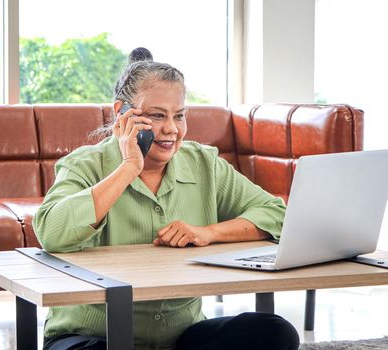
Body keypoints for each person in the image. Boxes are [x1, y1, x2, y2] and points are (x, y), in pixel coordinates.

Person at [32, 47, 300, 350]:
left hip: (180, 338)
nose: (171, 129)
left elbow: (276, 213)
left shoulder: (204, 163)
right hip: (93, 338)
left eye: (179, 116)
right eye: (157, 115)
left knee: (275, 332)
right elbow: (51, 233)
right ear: (121, 112)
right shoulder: (84, 165)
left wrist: (207, 233)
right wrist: (128, 168)